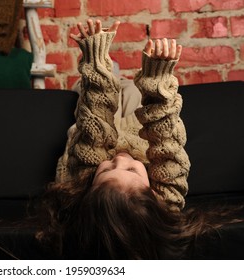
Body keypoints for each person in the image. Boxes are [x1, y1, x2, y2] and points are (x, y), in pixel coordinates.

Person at [35, 19, 241, 259]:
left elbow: (96, 117)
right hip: (137, 136)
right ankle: (117, 77)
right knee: (132, 91)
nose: (120, 160)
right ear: (152, 195)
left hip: (94, 141)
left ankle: (111, 73)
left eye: (106, 170)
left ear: (89, 191)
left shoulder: (80, 187)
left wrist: (95, 56)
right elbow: (167, 137)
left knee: (84, 91)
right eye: (132, 170)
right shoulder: (167, 202)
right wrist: (158, 78)